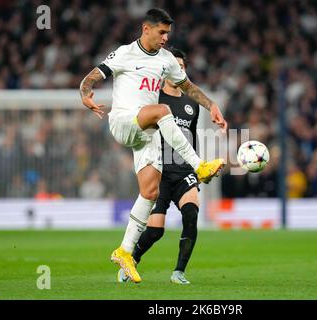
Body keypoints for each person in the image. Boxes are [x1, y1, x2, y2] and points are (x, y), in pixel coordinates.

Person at [79, 8, 228, 283]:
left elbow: (189, 87)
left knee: (149, 192)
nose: (165, 38)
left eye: (168, 33)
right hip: (124, 121)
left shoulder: (167, 60)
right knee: (161, 111)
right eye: (161, 32)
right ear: (145, 29)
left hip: (145, 132)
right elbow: (92, 76)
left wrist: (212, 105)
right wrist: (85, 93)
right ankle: (200, 166)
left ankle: (124, 251)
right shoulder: (125, 53)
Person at [118, 48, 200, 284]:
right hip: (160, 171)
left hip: (184, 171)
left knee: (191, 214)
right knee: (155, 231)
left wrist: (197, 165)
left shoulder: (191, 103)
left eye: (183, 67)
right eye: (176, 66)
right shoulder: (154, 101)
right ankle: (130, 260)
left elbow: (191, 137)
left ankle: (179, 272)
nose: (179, 70)